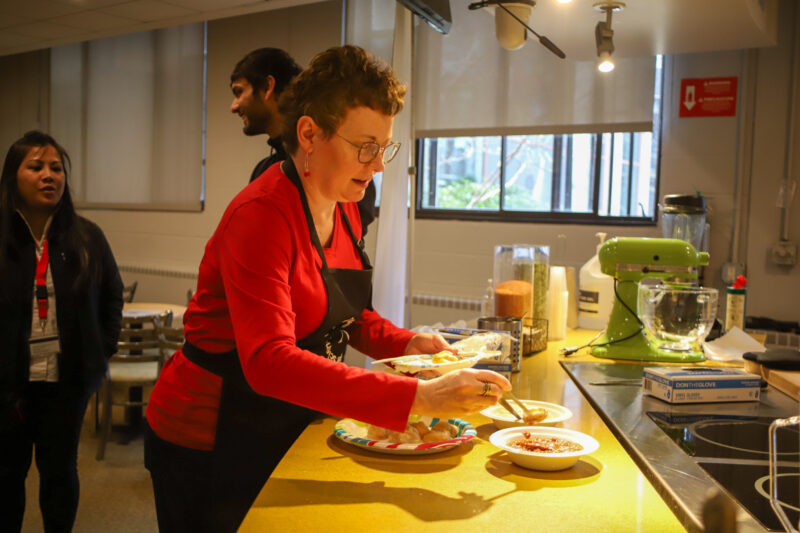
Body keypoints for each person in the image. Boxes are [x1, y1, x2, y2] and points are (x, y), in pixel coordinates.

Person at [146, 45, 511, 533]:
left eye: (385, 147)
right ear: (309, 134)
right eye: (365, 146)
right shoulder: (261, 217)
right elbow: (268, 361)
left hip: (280, 416)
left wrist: (407, 343)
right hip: (208, 433)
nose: (378, 164)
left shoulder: (341, 205)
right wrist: (419, 397)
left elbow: (343, 313)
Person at [0, 130, 124, 532]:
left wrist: (98, 355)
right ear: (12, 177)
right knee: (5, 477)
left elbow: (112, 297)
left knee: (59, 475)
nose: (48, 175)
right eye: (35, 167)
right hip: (8, 385)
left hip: (65, 383)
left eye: (56, 168)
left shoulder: (87, 236)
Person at [230, 47, 379, 235]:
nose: (233, 107)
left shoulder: (337, 167)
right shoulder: (265, 170)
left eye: (238, 92)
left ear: (268, 87)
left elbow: (348, 240)